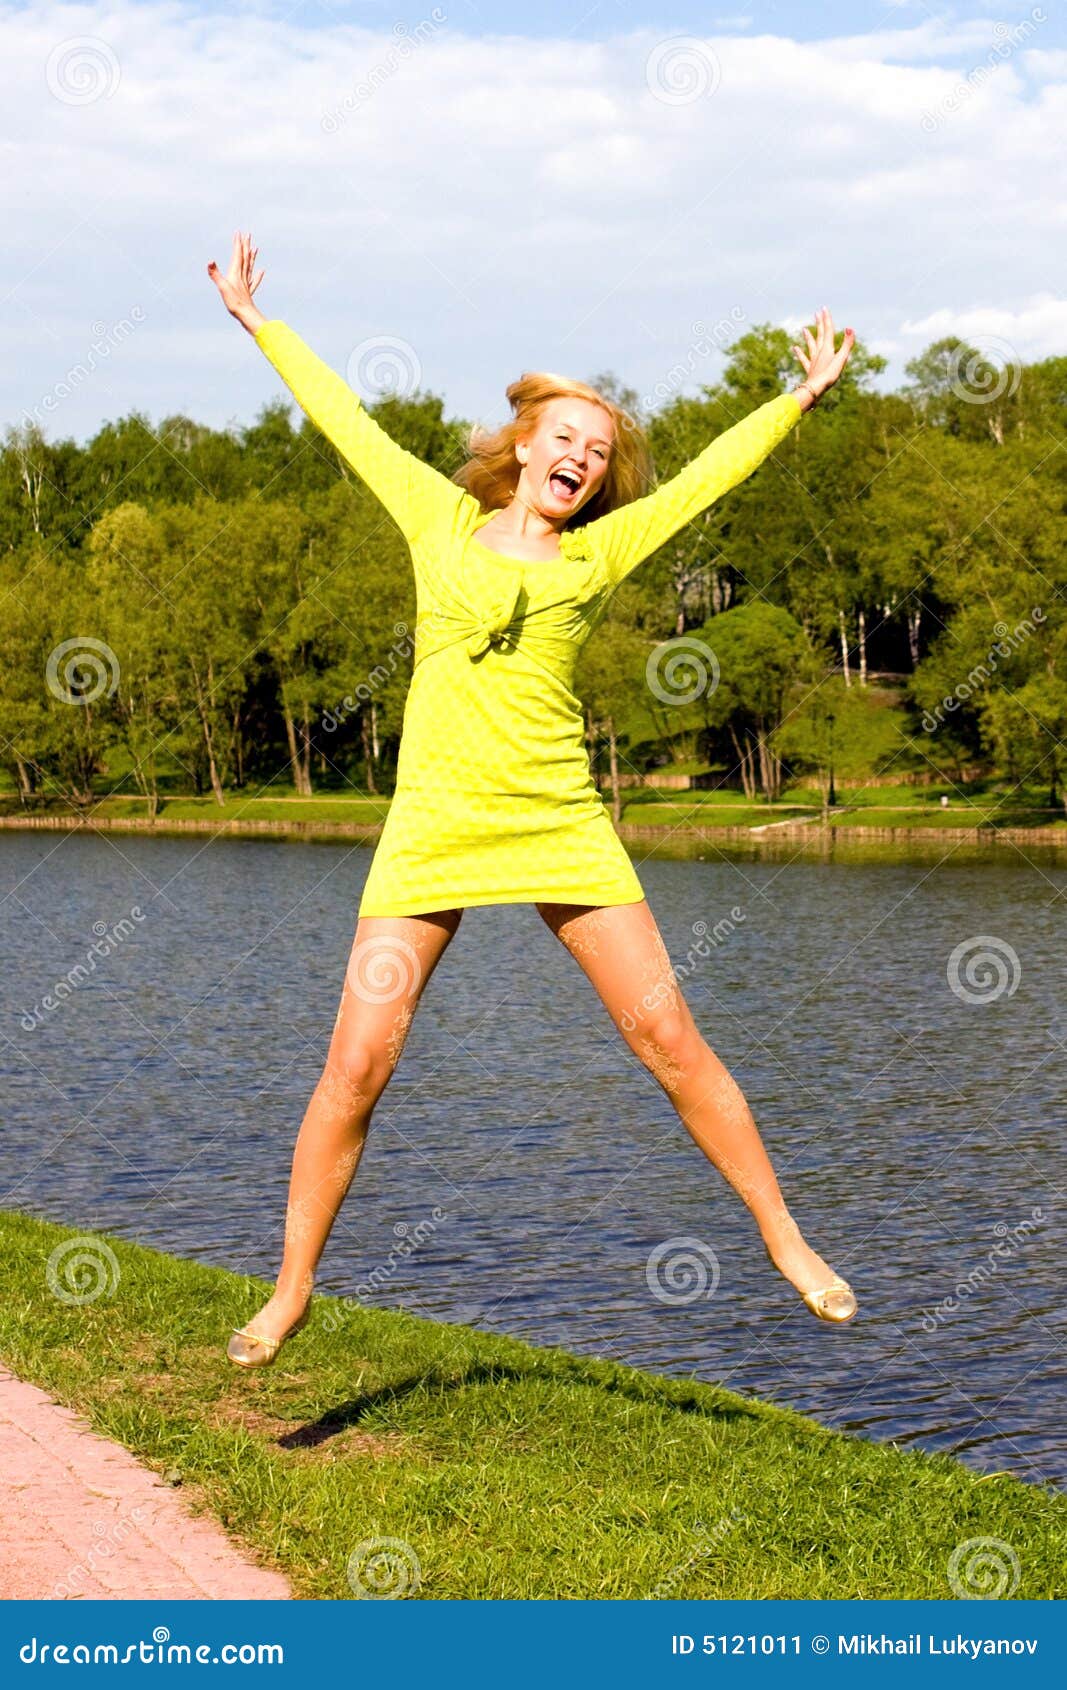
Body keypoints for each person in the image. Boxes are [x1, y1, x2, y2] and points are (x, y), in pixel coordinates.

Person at [207, 231, 859, 1367]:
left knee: (665, 1033)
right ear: (521, 446)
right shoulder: (437, 522)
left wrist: (796, 398)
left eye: (598, 453)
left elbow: (705, 481)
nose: (582, 460)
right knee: (355, 1065)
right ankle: (291, 1288)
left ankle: (783, 1235)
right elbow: (345, 421)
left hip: (559, 821)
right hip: (432, 827)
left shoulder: (597, 557)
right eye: (564, 439)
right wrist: (260, 323)